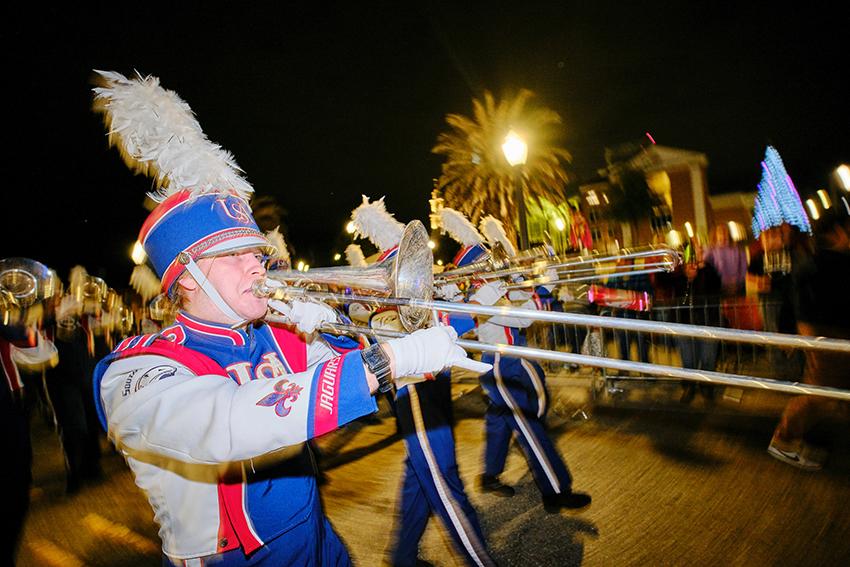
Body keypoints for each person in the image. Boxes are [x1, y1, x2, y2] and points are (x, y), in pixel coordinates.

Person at [92, 70, 488, 566]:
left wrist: (458, 315)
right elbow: (229, 422)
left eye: (255, 253)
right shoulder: (138, 370)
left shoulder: (271, 334)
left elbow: (368, 349)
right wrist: (387, 360)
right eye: (235, 256)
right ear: (188, 276)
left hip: (318, 537)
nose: (256, 265)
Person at [352, 202, 495, 567]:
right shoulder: (385, 294)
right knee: (445, 483)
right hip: (415, 389)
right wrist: (482, 302)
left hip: (432, 383)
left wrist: (473, 298)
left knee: (422, 474)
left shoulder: (407, 287)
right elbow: (435, 325)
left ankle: (401, 559)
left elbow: (436, 319)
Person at [465, 218, 591, 513]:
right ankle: (556, 489)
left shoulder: (498, 288)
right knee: (528, 426)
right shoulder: (479, 298)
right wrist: (540, 292)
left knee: (505, 418)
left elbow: (528, 296)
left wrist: (547, 268)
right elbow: (523, 317)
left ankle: (489, 474)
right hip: (499, 362)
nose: (499, 264)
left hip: (514, 356)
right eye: (491, 261)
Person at [768, 206, 850, 470]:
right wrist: (794, 331)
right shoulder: (819, 262)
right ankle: (783, 440)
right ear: (838, 231)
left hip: (826, 330)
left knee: (831, 388)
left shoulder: (823, 259)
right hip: (823, 332)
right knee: (819, 390)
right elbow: (794, 300)